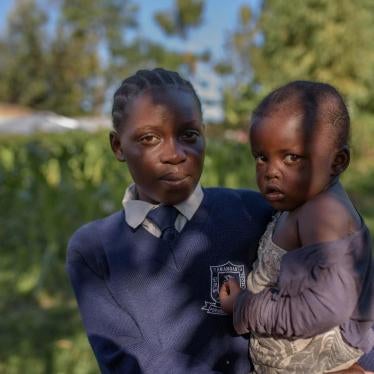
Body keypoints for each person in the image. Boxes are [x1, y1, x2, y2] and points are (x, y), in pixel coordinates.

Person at [66, 68, 273, 373]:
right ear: (118, 146)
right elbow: (126, 360)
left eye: (189, 135)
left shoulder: (254, 212)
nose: (175, 154)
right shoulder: (94, 249)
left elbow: (332, 282)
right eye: (149, 138)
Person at [219, 81, 374, 373]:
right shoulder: (303, 201)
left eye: (292, 157)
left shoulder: (323, 214)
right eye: (262, 157)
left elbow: (325, 308)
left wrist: (244, 306)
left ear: (338, 161)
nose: (271, 172)